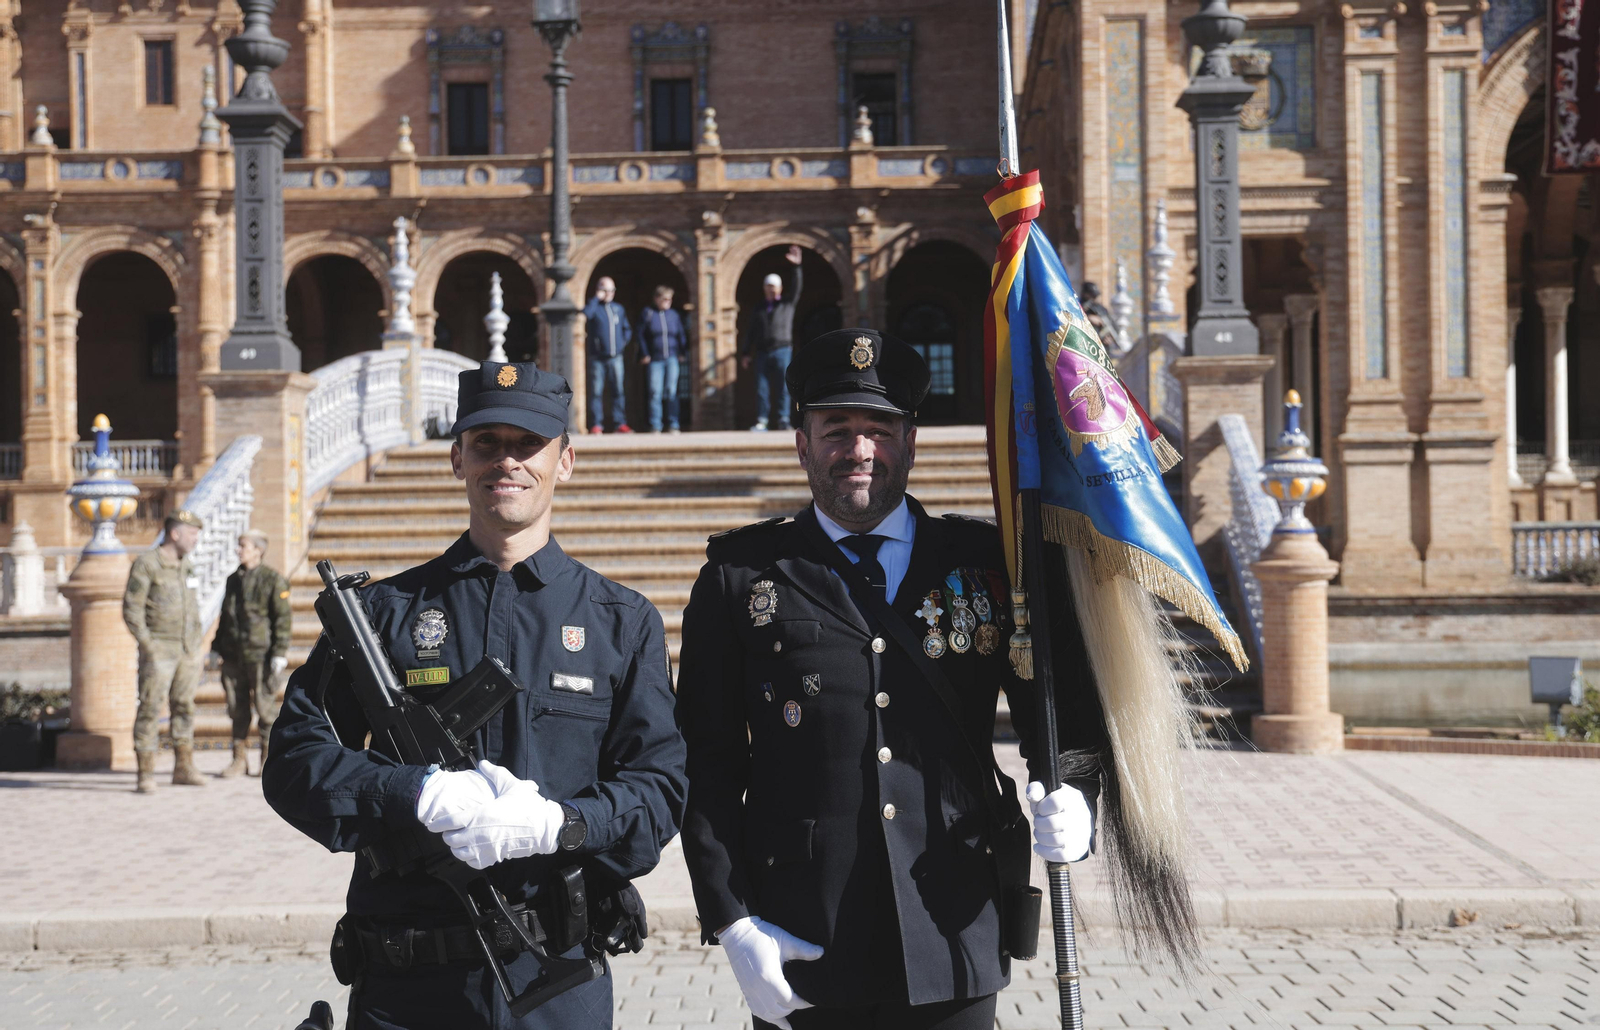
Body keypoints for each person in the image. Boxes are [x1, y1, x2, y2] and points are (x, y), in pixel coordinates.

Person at [676, 330, 1097, 1030]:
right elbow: (705, 762)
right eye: (835, 427)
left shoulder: (990, 564)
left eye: (879, 429)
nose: (858, 449)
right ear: (802, 443)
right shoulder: (742, 577)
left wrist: (1077, 800)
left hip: (953, 931)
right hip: (803, 935)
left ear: (911, 441)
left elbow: (1060, 714)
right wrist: (731, 919)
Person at [263, 360, 688, 1029]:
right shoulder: (383, 616)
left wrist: (562, 824)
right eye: (487, 444)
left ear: (566, 460)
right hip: (409, 991)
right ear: (457, 457)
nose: (507, 462)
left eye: (529, 445)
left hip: (556, 986)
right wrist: (415, 793)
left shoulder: (619, 620)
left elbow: (660, 790)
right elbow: (294, 761)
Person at [123, 509, 207, 794]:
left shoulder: (187, 565)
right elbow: (132, 609)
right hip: (159, 648)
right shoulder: (148, 564)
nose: (196, 539)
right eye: (192, 533)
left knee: (184, 707)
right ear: (175, 533)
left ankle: (183, 767)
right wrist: (149, 645)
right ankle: (145, 773)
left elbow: (193, 608)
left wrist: (196, 647)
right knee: (149, 708)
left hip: (187, 649)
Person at [212, 529, 293, 778]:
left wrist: (279, 651)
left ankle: (267, 761)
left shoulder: (272, 579)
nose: (239, 550)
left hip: (262, 655)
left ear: (258, 550)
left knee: (265, 709)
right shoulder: (232, 580)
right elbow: (225, 617)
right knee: (237, 709)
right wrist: (216, 648)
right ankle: (238, 760)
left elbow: (282, 619)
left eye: (243, 546)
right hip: (234, 655)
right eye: (239, 545)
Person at [739, 245, 804, 432]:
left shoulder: (787, 304)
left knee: (784, 386)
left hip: (783, 349)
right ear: (764, 289)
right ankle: (762, 420)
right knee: (761, 388)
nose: (771, 290)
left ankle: (783, 418)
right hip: (762, 351)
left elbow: (797, 288)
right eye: (768, 287)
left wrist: (797, 267)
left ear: (780, 288)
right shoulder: (759, 308)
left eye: (774, 287)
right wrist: (745, 352)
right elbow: (750, 331)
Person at [582, 277, 634, 434]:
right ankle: (597, 424)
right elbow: (585, 315)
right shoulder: (594, 308)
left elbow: (627, 329)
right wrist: (596, 299)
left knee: (618, 391)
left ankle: (620, 423)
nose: (609, 293)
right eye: (605, 290)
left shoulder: (618, 308)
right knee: (596, 391)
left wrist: (621, 344)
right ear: (598, 290)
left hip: (616, 357)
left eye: (611, 290)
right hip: (597, 357)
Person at [638, 285, 688, 434]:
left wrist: (682, 352)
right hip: (655, 359)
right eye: (665, 299)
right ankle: (656, 424)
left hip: (672, 358)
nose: (667, 302)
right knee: (655, 392)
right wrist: (645, 353)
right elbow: (640, 335)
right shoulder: (648, 313)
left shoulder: (674, 315)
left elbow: (681, 334)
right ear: (657, 299)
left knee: (672, 391)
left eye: (669, 299)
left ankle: (673, 423)